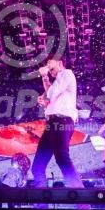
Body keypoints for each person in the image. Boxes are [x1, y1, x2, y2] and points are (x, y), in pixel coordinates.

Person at [31, 57, 83, 188]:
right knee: (37, 166)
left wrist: (44, 76)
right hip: (52, 123)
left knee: (62, 158)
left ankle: (79, 194)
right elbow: (50, 94)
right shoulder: (58, 83)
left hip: (62, 121)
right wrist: (45, 100)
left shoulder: (66, 73)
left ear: (60, 63)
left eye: (50, 62)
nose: (48, 65)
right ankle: (41, 199)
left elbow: (51, 93)